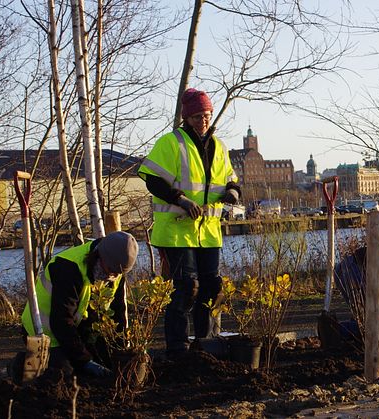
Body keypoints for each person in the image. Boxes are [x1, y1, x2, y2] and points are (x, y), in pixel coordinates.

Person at [138, 87, 241, 355]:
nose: (203, 120)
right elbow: (152, 179)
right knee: (186, 289)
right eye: (197, 116)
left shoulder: (219, 147)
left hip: (208, 232)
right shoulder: (171, 143)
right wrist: (180, 199)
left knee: (211, 288)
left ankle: (204, 344)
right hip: (175, 231)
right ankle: (178, 347)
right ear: (186, 117)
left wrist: (232, 191)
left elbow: (230, 178)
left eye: (206, 115)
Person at [20, 231, 139, 378]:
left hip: (78, 329)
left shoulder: (116, 270)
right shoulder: (68, 267)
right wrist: (84, 360)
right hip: (43, 333)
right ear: (99, 257)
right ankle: (20, 365)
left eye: (117, 274)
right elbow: (61, 322)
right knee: (62, 376)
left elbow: (118, 312)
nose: (112, 277)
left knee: (104, 366)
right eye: (110, 271)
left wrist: (120, 348)